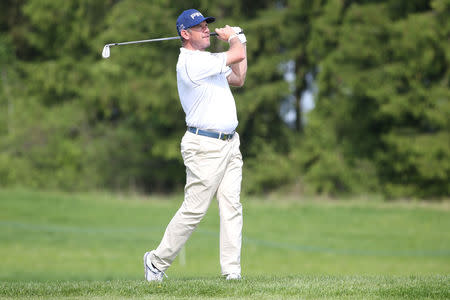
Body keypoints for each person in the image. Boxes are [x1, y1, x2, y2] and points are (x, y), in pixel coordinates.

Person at [143, 8, 247, 282]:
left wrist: (241, 40)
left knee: (232, 206)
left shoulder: (208, 61)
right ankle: (156, 261)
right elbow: (236, 55)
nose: (205, 30)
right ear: (184, 34)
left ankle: (232, 272)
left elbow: (238, 77)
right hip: (204, 146)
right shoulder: (191, 63)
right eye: (199, 27)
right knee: (194, 210)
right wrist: (234, 38)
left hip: (229, 144)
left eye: (206, 25)